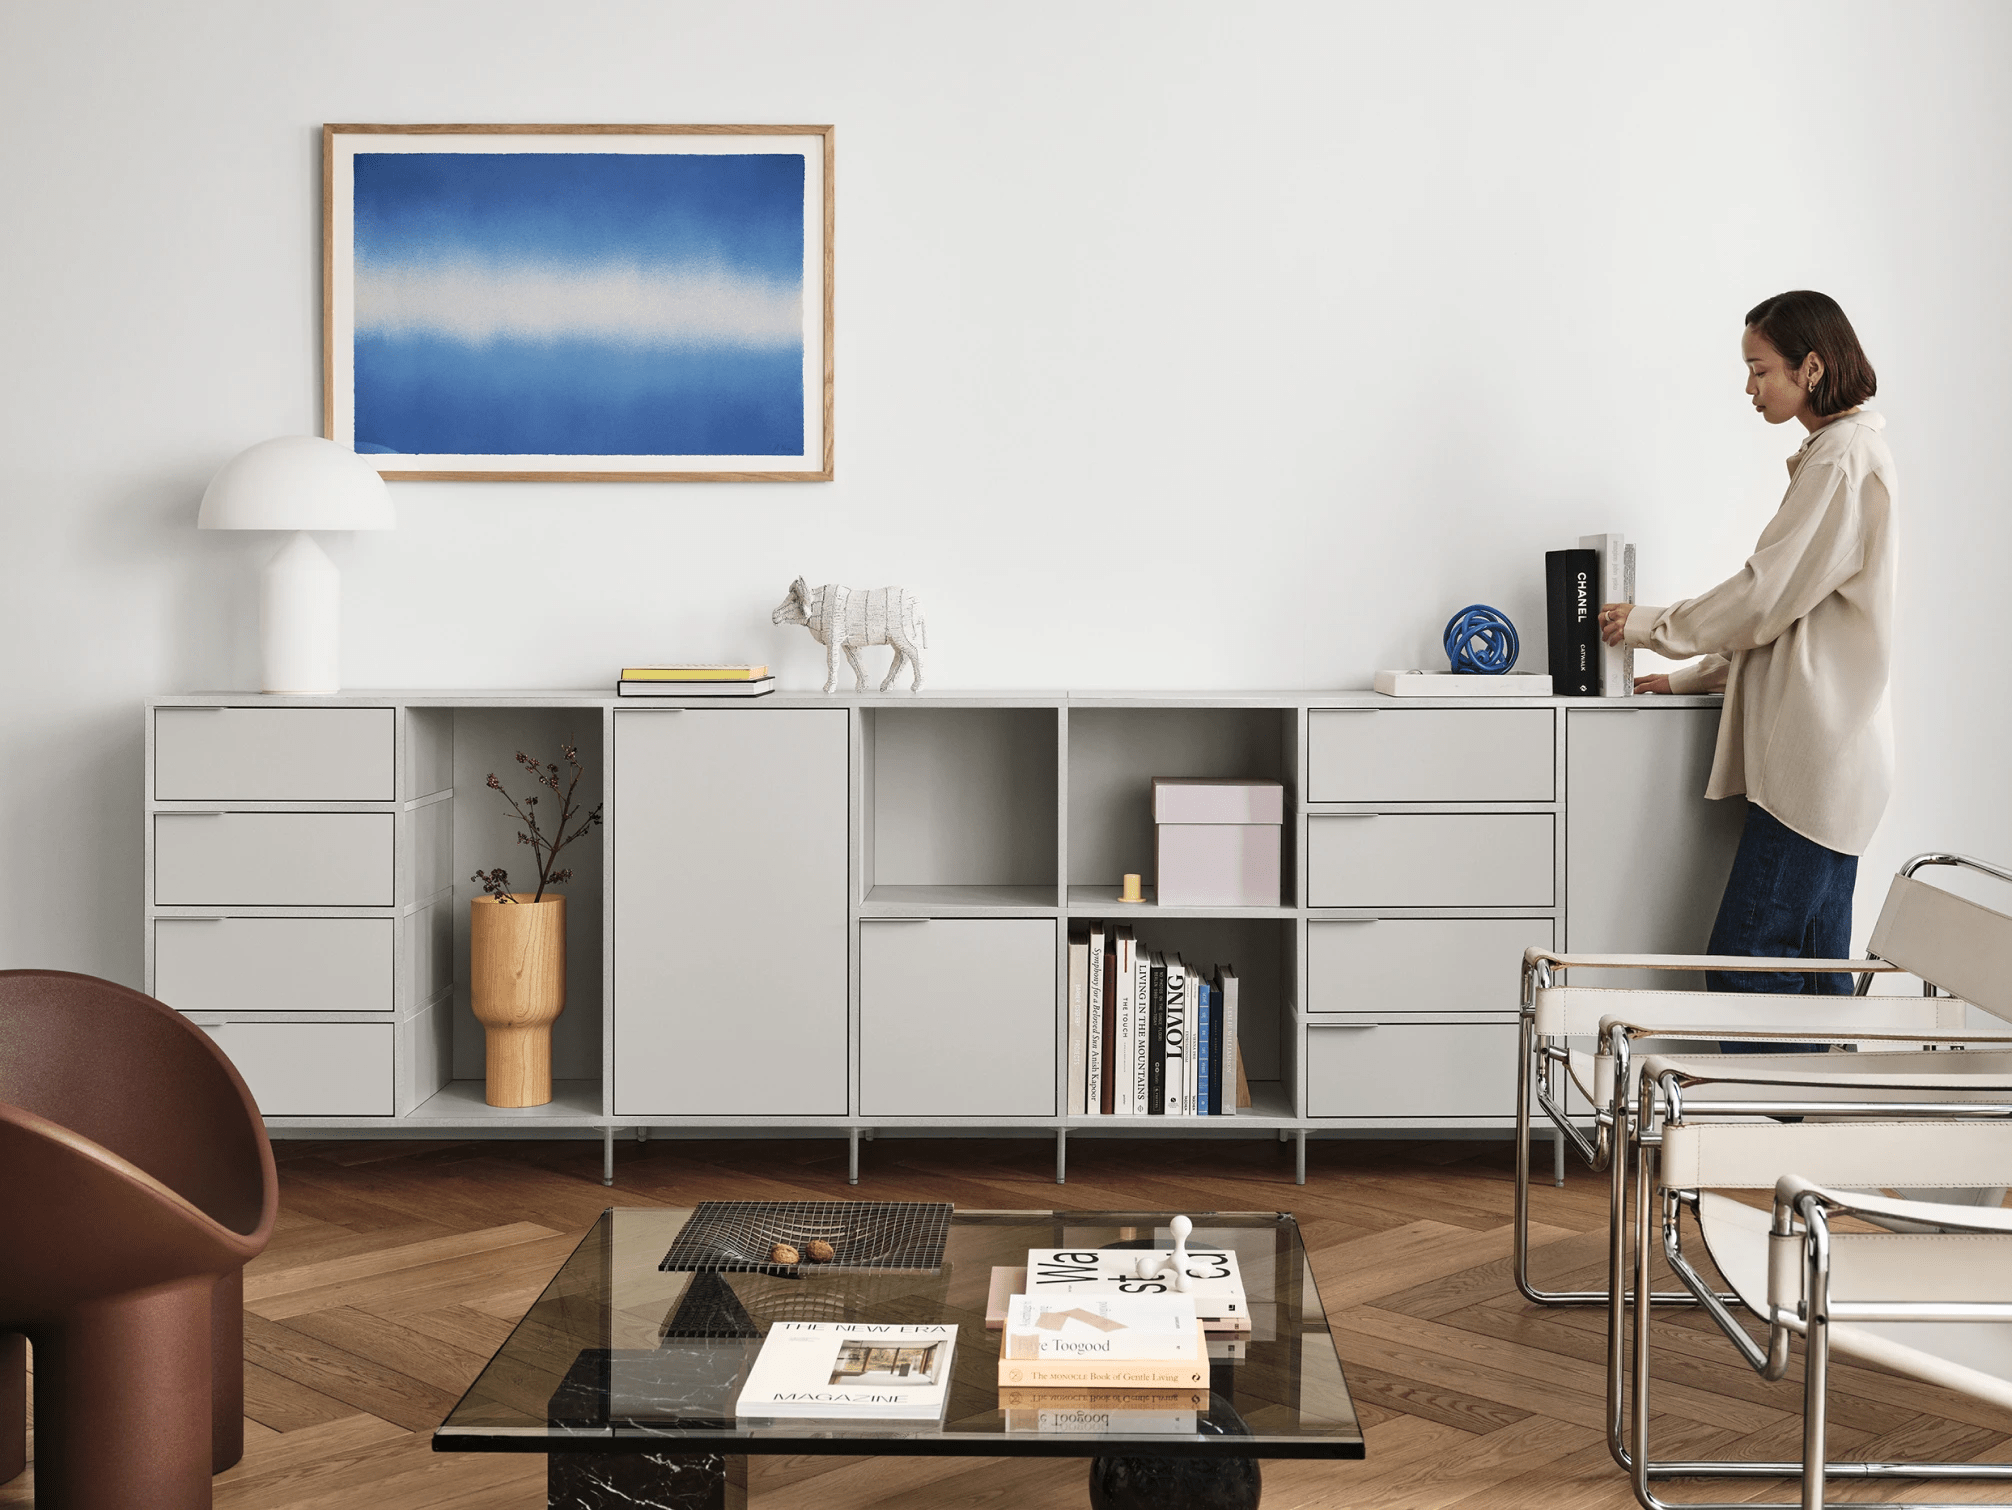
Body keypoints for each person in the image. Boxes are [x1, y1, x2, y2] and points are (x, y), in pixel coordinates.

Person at [1598, 290, 1894, 998]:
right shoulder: (1842, 454)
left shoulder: (1839, 462)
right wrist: (1692, 679)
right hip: (1838, 764)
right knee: (1816, 980)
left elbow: (1764, 596)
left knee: (1745, 961)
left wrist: (1648, 625)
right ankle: (1825, 1112)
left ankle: (1782, 1109)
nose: (1750, 387)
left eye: (1761, 370)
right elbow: (1797, 614)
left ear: (1812, 367)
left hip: (1814, 767)